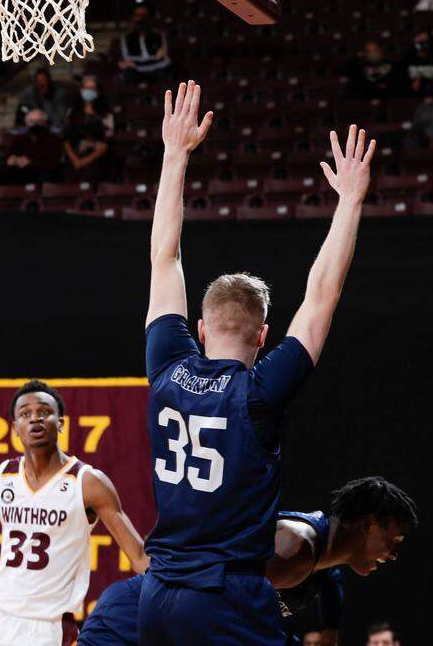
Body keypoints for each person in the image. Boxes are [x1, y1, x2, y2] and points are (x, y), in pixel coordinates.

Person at [137, 81, 375, 645]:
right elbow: (322, 296)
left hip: (157, 595)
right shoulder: (260, 393)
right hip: (226, 597)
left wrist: (175, 155)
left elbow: (164, 256)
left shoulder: (165, 363)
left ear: (199, 329)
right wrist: (350, 201)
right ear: (264, 335)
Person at [0, 380, 148, 646]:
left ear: (60, 422)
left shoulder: (88, 482)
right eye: (25, 413)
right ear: (15, 428)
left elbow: (139, 556)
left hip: (47, 625)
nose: (35, 418)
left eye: (44, 412)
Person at [79, 476, 418, 646]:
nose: (394, 554)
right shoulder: (293, 549)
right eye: (394, 540)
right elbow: (219, 614)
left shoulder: (323, 556)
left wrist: (330, 631)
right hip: (133, 620)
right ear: (370, 524)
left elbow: (332, 586)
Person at [64, 75, 115, 182]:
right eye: (86, 88)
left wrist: (85, 161)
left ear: (98, 91)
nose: (89, 91)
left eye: (92, 89)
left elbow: (106, 142)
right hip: (75, 156)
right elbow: (66, 139)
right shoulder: (72, 112)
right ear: (81, 90)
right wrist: (75, 160)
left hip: (96, 158)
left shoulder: (106, 114)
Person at [115, 7, 172, 83]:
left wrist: (139, 64)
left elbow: (162, 57)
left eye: (144, 16)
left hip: (156, 68)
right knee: (127, 75)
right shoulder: (126, 38)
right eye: (138, 16)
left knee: (165, 74)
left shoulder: (158, 35)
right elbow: (126, 59)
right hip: (135, 70)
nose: (141, 20)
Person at [402, 31, 433, 95]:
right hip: (412, 95)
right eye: (420, 40)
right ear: (414, 40)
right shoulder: (408, 57)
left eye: (425, 40)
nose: (422, 43)